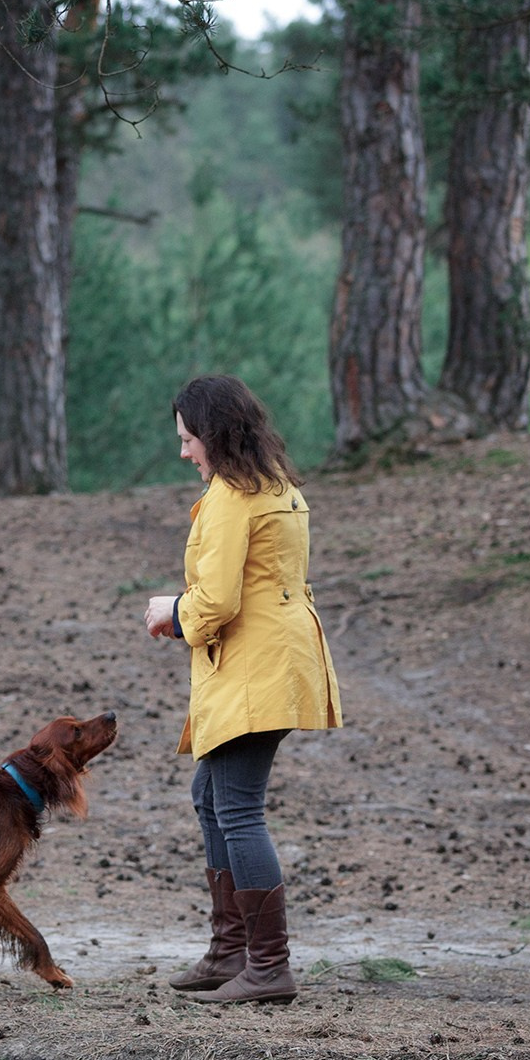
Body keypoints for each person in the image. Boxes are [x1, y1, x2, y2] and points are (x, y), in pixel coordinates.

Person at [142, 375, 342, 1004]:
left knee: (237, 808)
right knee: (210, 795)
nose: (183, 452)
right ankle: (231, 952)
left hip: (256, 669)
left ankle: (267, 966)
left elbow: (219, 600)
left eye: (188, 438)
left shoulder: (232, 496)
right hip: (276, 661)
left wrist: (172, 611)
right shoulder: (277, 486)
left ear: (215, 433)